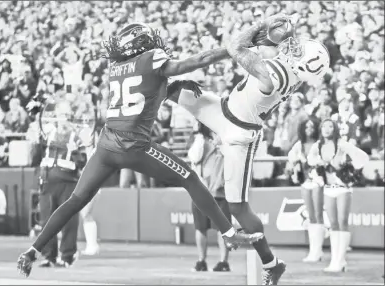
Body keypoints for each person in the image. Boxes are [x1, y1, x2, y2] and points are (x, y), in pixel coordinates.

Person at [17, 22, 264, 278]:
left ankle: (33, 251)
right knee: (190, 177)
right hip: (135, 146)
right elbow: (199, 59)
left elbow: (142, 95)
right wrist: (231, 50)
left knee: (76, 200)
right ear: (141, 42)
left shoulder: (115, 68)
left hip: (105, 146)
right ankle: (230, 234)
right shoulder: (151, 58)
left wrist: (173, 88)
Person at [168, 16, 331, 285]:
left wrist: (261, 26)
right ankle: (131, 123)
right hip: (222, 109)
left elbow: (235, 48)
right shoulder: (294, 74)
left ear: (301, 65)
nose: (294, 47)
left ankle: (271, 263)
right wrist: (270, 38)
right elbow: (267, 51)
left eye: (299, 51)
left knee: (238, 208)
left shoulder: (273, 77)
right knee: (169, 87)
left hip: (238, 135)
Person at [307, 119, 369, 273]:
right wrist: (319, 163)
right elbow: (310, 159)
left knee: (342, 221)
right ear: (320, 129)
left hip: (343, 188)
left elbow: (362, 157)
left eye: (330, 126)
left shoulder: (341, 144)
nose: (326, 129)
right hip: (328, 188)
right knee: (333, 223)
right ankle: (335, 260)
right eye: (324, 126)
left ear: (335, 129)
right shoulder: (318, 145)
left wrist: (350, 170)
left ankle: (340, 260)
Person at [35, 100, 90, 268]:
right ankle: (48, 256)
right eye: (61, 115)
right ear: (56, 117)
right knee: (47, 221)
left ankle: (67, 256)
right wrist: (35, 142)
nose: (63, 118)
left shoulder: (78, 136)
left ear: (71, 117)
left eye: (67, 115)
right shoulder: (47, 133)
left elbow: (84, 163)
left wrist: (74, 151)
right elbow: (36, 157)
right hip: (48, 181)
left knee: (68, 221)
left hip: (68, 181)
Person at [188, 122, 231, 272]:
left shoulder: (226, 141)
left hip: (220, 191)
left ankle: (223, 262)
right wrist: (199, 137)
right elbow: (194, 157)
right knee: (200, 228)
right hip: (201, 191)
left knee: (223, 229)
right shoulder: (200, 142)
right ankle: (201, 261)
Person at [287, 118, 324, 262]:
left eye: (312, 126)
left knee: (318, 214)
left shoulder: (320, 144)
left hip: (318, 181)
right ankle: (313, 251)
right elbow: (291, 157)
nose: (309, 129)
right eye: (306, 127)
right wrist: (295, 164)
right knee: (311, 216)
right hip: (305, 182)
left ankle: (318, 251)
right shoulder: (299, 145)